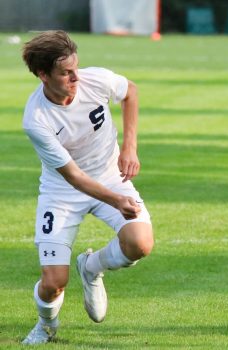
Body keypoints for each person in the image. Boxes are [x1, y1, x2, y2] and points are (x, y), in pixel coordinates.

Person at [21, 30, 154, 345]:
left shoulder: (95, 80)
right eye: (65, 73)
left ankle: (92, 267)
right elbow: (74, 177)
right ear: (43, 75)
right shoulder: (36, 119)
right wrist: (116, 199)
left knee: (140, 243)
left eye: (75, 68)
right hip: (63, 193)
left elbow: (130, 92)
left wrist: (130, 147)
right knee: (54, 282)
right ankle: (47, 326)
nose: (75, 77)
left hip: (110, 176)